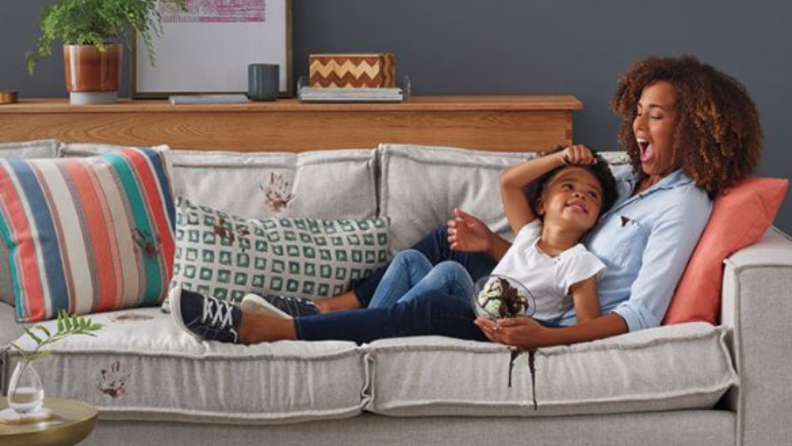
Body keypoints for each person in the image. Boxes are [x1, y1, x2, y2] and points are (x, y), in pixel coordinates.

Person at [170, 55, 763, 349]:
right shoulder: (633, 183)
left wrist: (544, 338)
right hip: (530, 289)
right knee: (444, 241)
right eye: (637, 111)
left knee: (429, 306)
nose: (637, 124)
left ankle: (270, 330)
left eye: (654, 116)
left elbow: (641, 315)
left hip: (542, 317)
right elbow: (547, 252)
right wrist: (501, 240)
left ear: (697, 129)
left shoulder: (683, 208)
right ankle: (325, 310)